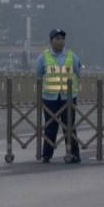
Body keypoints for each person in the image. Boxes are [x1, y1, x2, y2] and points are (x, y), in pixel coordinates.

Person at [34, 29, 81, 164]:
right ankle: (46, 155)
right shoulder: (43, 57)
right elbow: (38, 74)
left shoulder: (72, 56)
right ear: (51, 41)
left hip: (68, 97)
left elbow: (78, 73)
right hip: (50, 98)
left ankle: (74, 154)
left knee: (69, 126)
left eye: (62, 39)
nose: (60, 41)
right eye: (57, 38)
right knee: (50, 127)